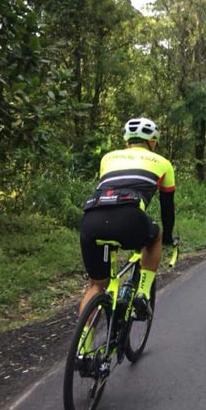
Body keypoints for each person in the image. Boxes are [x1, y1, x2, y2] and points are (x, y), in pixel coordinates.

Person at [79, 117, 176, 320]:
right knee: (155, 236)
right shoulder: (163, 163)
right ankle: (142, 293)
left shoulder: (108, 158)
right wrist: (167, 236)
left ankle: (82, 347)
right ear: (152, 142)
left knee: (96, 285)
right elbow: (168, 208)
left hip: (92, 218)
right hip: (129, 217)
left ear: (127, 141)